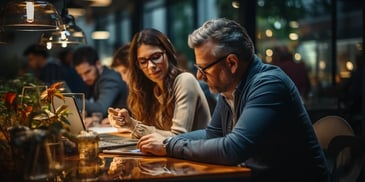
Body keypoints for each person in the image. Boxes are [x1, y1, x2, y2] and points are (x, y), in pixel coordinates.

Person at [135, 18, 330, 182]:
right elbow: (213, 134)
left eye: (204, 69)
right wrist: (168, 141)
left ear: (232, 63)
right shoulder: (230, 87)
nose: (199, 76)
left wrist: (169, 146)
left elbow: (233, 148)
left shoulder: (269, 84)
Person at [108, 28, 211, 139]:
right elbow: (151, 136)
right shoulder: (149, 89)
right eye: (143, 62)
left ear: (167, 53)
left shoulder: (185, 80)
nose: (151, 66)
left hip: (195, 155)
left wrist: (133, 125)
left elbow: (178, 137)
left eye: (156, 57)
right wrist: (126, 122)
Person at [72, 46, 128, 119]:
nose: (84, 79)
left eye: (87, 72)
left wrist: (72, 101)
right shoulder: (94, 79)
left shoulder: (109, 79)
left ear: (98, 64)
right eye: (80, 75)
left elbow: (101, 109)